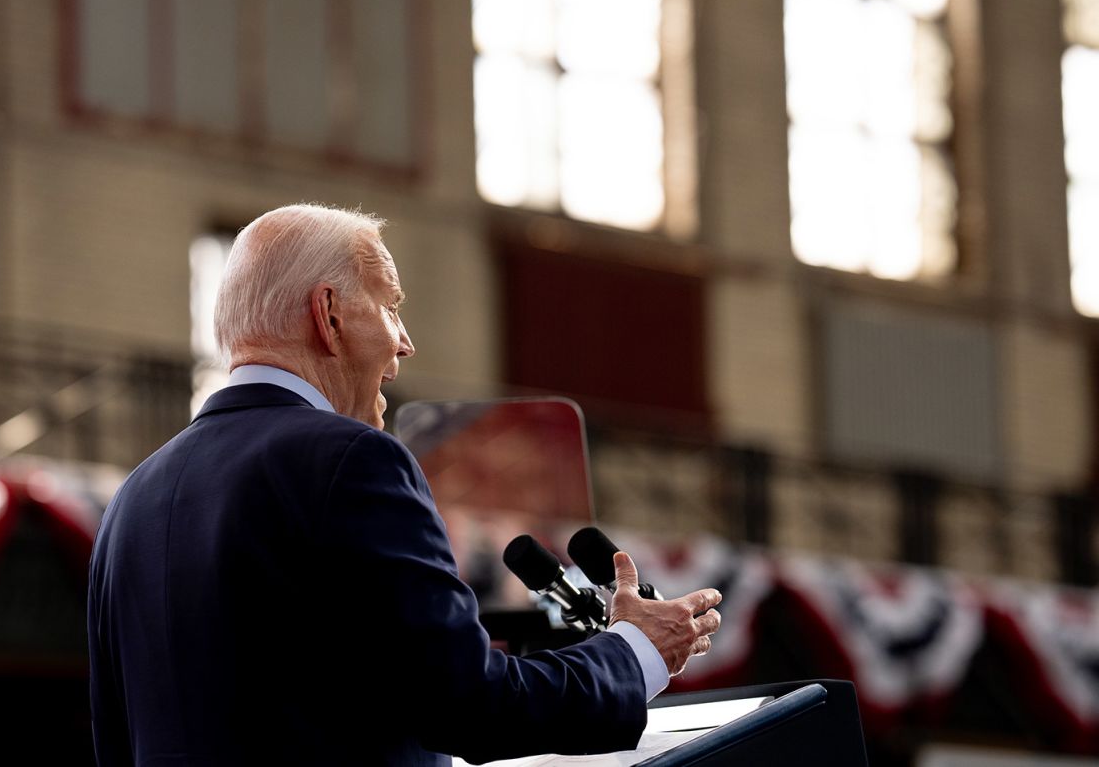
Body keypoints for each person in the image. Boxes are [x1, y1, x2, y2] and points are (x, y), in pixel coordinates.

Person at [87, 204, 723, 765]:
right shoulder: (352, 459)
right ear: (329, 315)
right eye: (391, 306)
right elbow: (469, 704)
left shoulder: (133, 498)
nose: (406, 342)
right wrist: (636, 651)